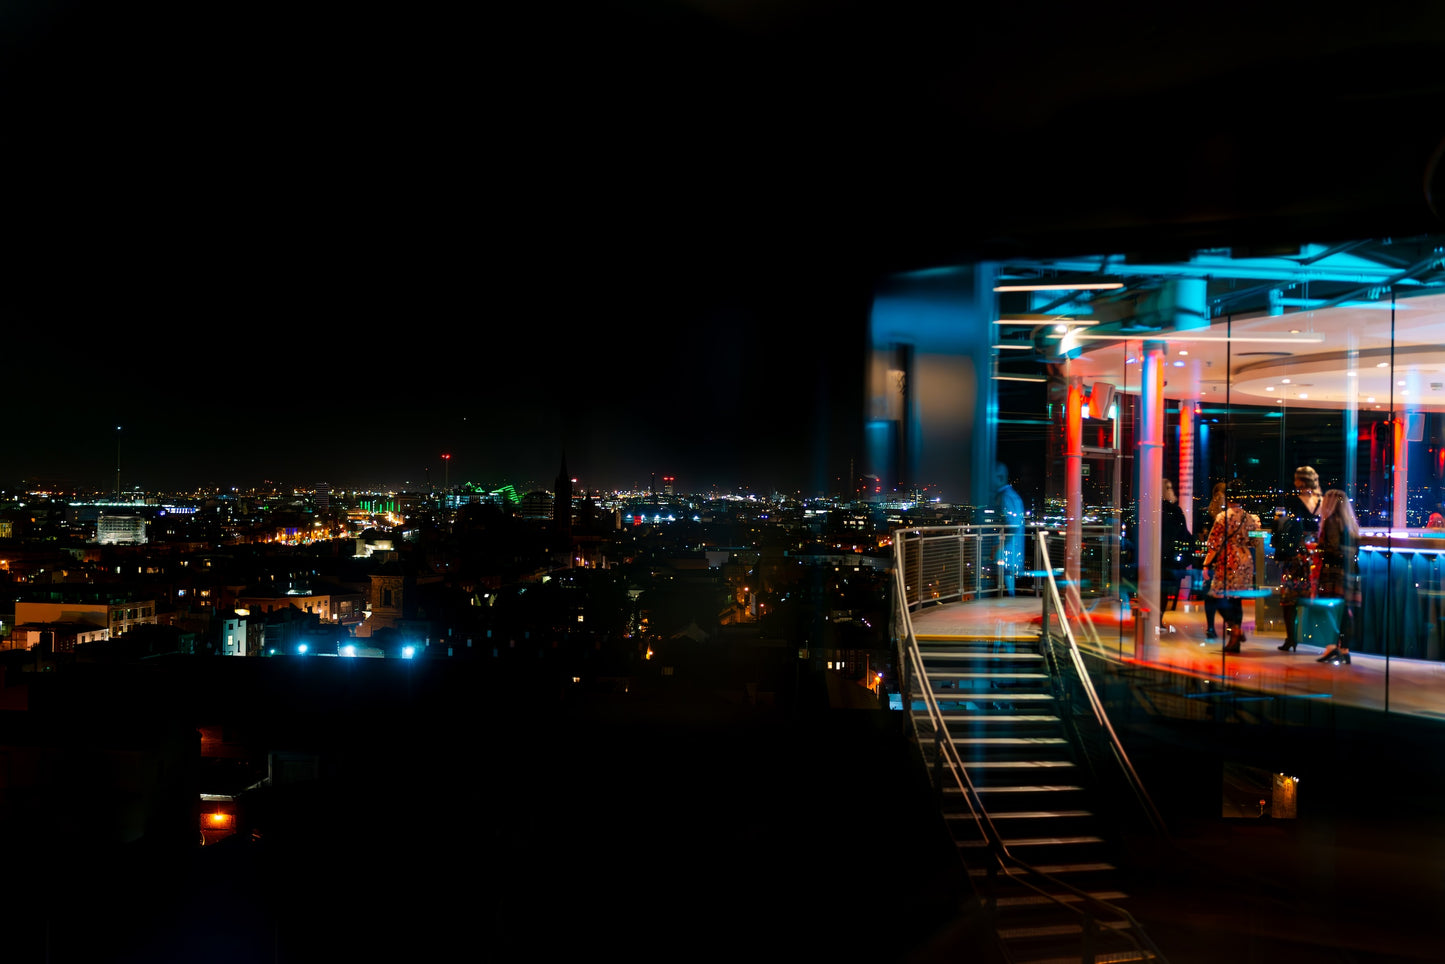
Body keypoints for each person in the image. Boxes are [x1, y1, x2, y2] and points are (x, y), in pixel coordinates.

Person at [1273, 465, 1322, 652]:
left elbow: (1288, 525)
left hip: (1295, 558)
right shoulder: (1317, 503)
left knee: (1289, 601)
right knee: (1305, 599)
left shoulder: (1297, 503)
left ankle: (1291, 638)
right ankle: (1308, 637)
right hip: (1309, 558)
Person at [1204, 481, 1255, 653]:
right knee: (1237, 599)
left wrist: (1205, 564)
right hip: (1245, 559)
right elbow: (1255, 540)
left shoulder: (1222, 517)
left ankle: (1235, 629)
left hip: (1228, 559)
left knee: (1217, 596)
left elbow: (1213, 543)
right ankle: (1235, 643)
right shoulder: (1249, 517)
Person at [1314, 489, 1360, 665]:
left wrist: (1320, 549)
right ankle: (1345, 649)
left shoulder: (1331, 521)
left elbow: (1332, 548)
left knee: (1331, 610)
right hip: (1350, 571)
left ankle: (1332, 647)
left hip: (1334, 572)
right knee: (1345, 612)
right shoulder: (1350, 523)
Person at [1199, 482, 1227, 638]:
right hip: (1225, 557)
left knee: (1211, 592)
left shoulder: (1210, 511)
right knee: (1226, 593)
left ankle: (1211, 627)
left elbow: (1206, 536)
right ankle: (1232, 625)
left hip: (1214, 556)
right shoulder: (1226, 514)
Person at [994, 463, 1025, 597]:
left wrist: (998, 546)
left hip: (1007, 552)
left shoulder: (1006, 497)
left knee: (1006, 586)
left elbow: (1012, 525)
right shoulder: (1013, 496)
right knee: (1009, 585)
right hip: (1011, 551)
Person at [1160, 478, 1191, 612]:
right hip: (1169, 558)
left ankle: (1155, 620)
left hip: (1158, 557)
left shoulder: (1150, 509)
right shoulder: (1175, 511)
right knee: (1164, 590)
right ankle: (1158, 618)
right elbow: (1184, 534)